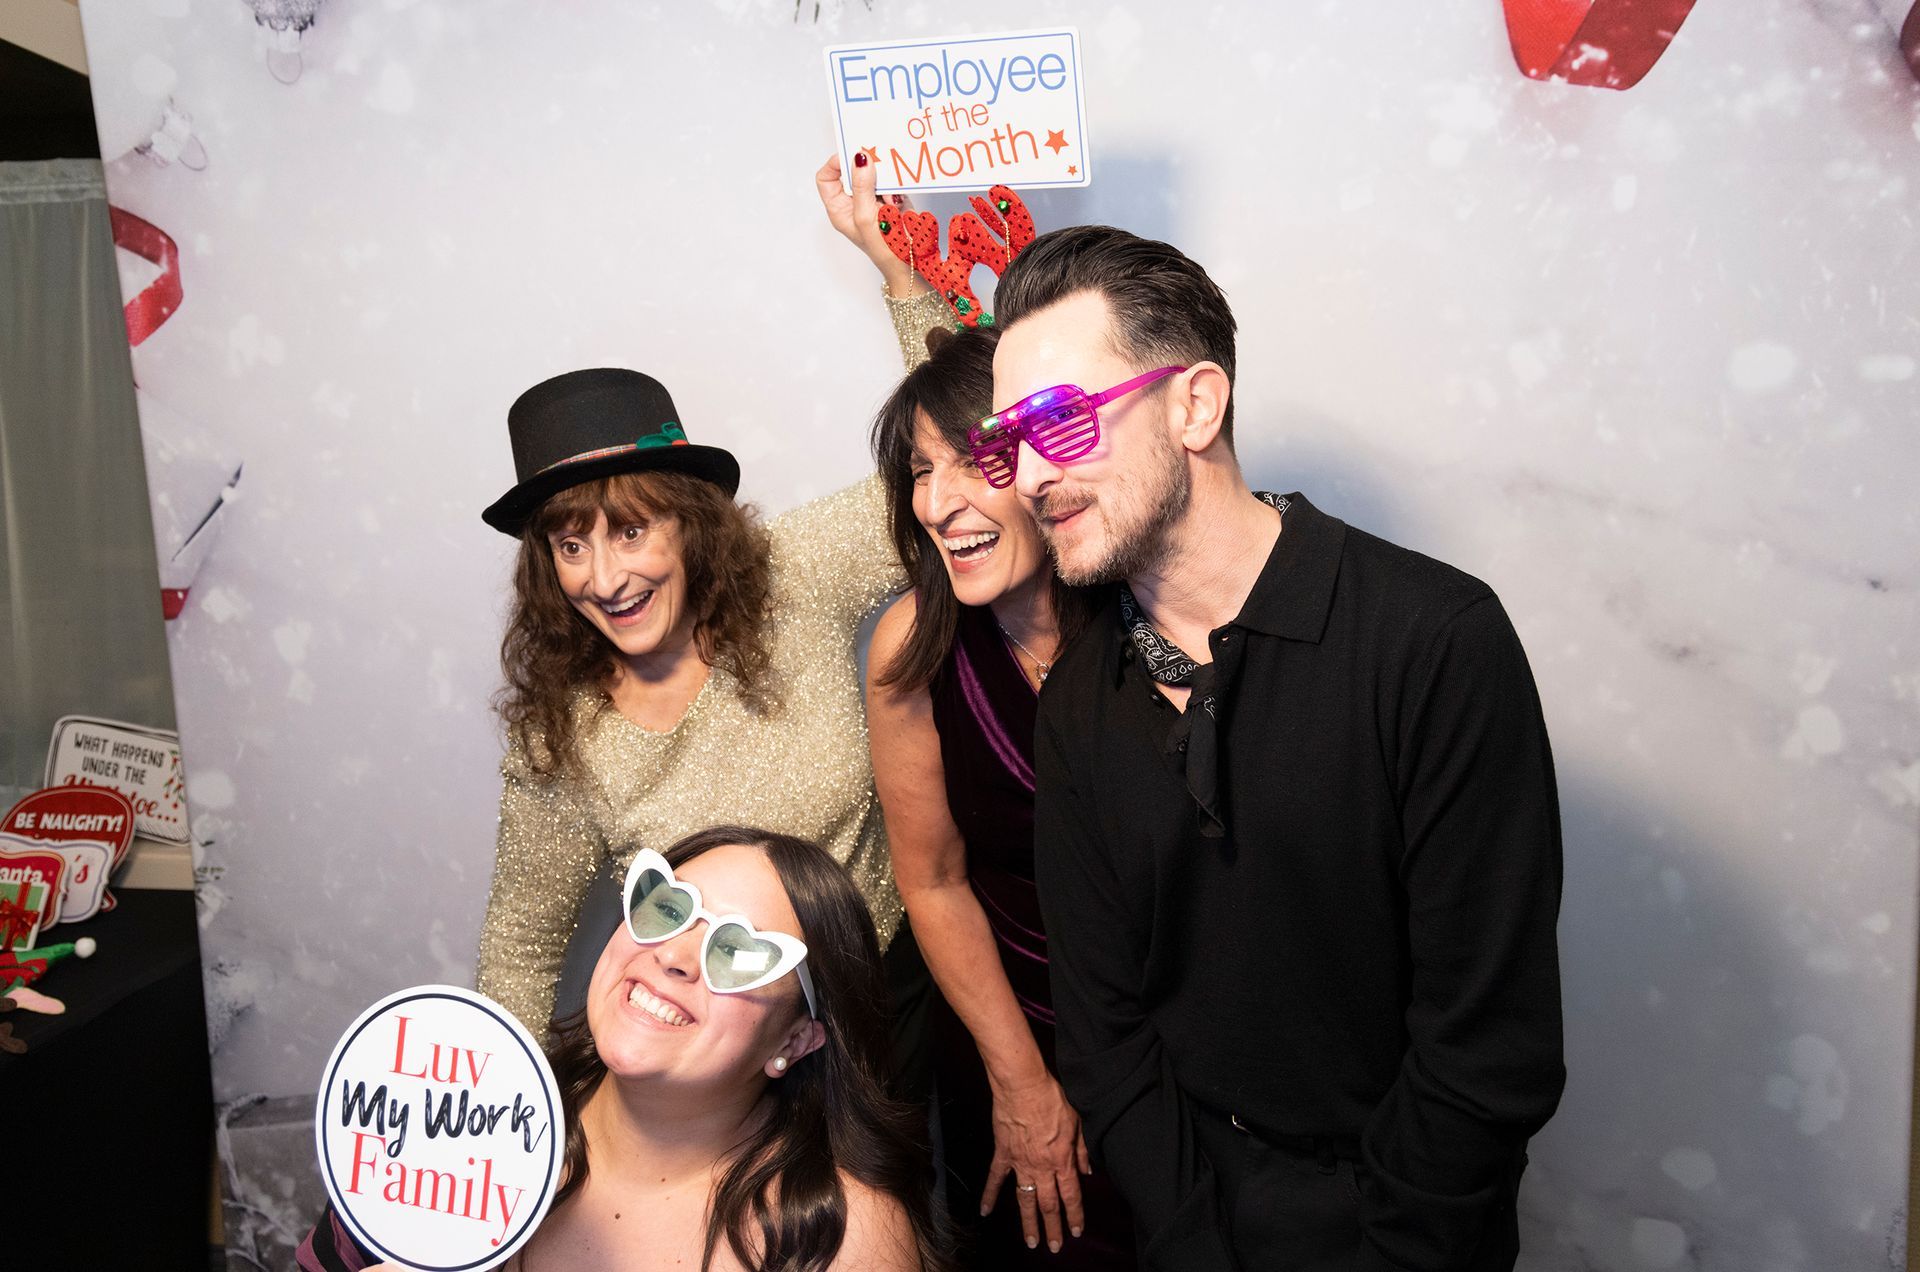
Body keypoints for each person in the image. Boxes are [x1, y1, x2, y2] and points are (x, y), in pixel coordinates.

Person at [978, 225, 1566, 1271]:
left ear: (1194, 405)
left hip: (1413, 1220)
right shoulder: (1078, 702)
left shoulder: (1431, 639)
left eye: (1059, 425)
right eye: (1003, 442)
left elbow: (1487, 1047)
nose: (1023, 474)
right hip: (1203, 1215)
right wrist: (1201, 1241)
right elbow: (1105, 1033)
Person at [472, 151, 953, 1058]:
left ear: (690, 527)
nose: (603, 578)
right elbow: (521, 951)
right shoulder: (561, 737)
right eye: (570, 545)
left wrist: (900, 278)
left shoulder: (792, 577)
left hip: (897, 990)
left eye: (630, 532)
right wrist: (504, 1134)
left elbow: (943, 473)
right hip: (727, 1053)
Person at [300, 826, 953, 1271]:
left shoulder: (840, 1238)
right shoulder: (453, 1123)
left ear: (796, 1038)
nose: (673, 956)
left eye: (736, 952)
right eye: (666, 908)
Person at [861, 329, 1135, 1267]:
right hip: (1004, 1030)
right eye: (918, 472)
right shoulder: (910, 650)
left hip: (1172, 1038)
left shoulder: (1157, 620)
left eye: (975, 459)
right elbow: (933, 881)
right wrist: (1019, 1087)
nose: (938, 503)